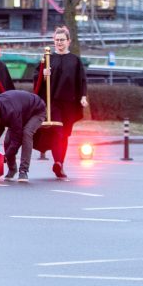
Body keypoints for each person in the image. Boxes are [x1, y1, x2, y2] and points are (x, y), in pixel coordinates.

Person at [34, 26, 88, 181]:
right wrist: (43, 76)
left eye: (62, 40)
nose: (59, 43)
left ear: (68, 41)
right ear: (53, 41)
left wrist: (83, 96)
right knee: (58, 131)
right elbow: (37, 80)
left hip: (69, 103)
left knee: (64, 135)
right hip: (53, 103)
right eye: (57, 40)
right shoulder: (47, 59)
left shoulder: (75, 60)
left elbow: (82, 80)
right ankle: (58, 163)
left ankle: (60, 163)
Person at [0, 91, 47, 182]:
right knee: (7, 141)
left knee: (26, 133)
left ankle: (23, 170)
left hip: (37, 110)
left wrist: (5, 157)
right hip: (21, 112)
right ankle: (12, 168)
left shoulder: (11, 111)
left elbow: (17, 140)